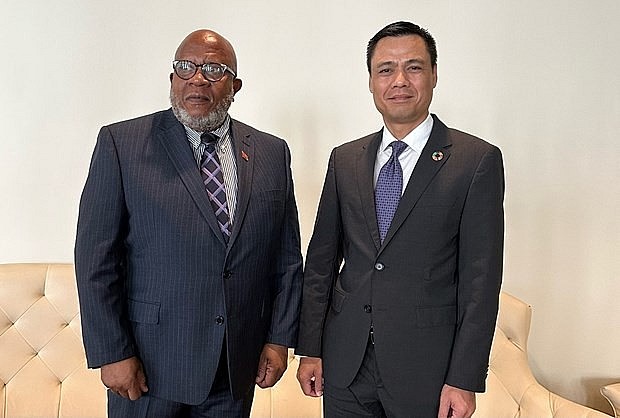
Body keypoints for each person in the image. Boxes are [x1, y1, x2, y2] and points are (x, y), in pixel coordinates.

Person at [75, 29, 303, 417]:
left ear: (235, 85)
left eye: (214, 69)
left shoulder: (271, 152)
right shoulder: (122, 143)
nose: (198, 78)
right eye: (186, 67)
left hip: (234, 368)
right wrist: (112, 352)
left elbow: (286, 259)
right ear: (172, 78)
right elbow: (95, 258)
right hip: (148, 369)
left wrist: (279, 339)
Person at [296, 21, 504, 418]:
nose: (400, 81)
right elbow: (321, 263)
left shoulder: (475, 160)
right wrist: (310, 348)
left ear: (434, 75)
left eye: (414, 67)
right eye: (386, 69)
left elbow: (481, 279)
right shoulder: (346, 159)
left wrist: (463, 378)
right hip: (346, 364)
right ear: (371, 81)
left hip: (426, 369)